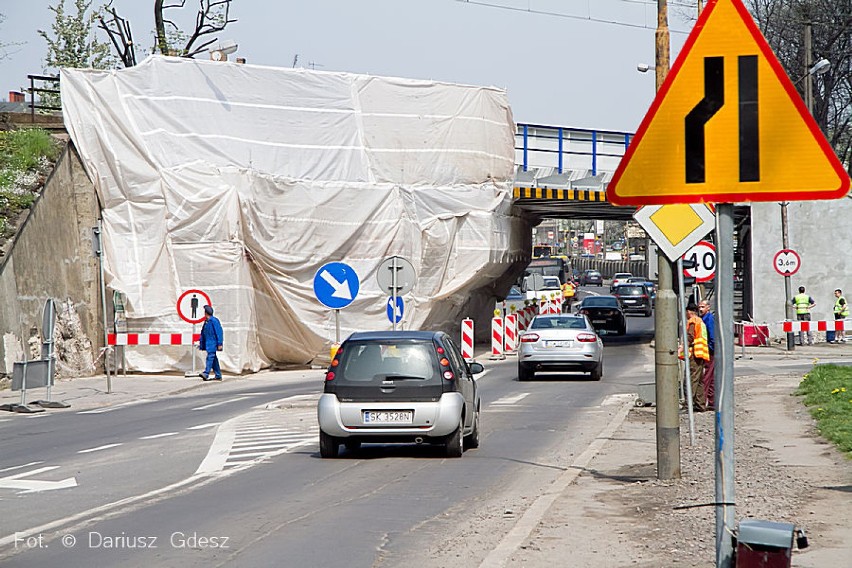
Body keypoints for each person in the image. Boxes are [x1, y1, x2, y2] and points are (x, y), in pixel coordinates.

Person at [685, 302, 710, 412]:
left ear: (689, 312)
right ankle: (701, 405)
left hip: (695, 354)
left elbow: (690, 337)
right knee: (699, 380)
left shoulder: (693, 321)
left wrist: (682, 348)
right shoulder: (700, 321)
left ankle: (688, 404)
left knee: (692, 380)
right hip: (701, 353)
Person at [698, 299, 715, 409]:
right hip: (707, 350)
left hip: (709, 351)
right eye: (699, 307)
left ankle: (704, 400)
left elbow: (712, 335)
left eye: (703, 307)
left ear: (708, 308)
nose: (700, 309)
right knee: (711, 375)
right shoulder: (703, 319)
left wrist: (710, 348)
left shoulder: (709, 319)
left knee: (707, 376)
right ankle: (712, 400)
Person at [198, 305, 223, 380]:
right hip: (208, 344)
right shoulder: (206, 322)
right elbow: (203, 333)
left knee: (210, 357)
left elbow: (219, 332)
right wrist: (202, 343)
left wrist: (219, 343)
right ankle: (218, 375)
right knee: (213, 359)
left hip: (213, 343)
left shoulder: (214, 321)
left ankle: (206, 373)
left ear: (206, 313)